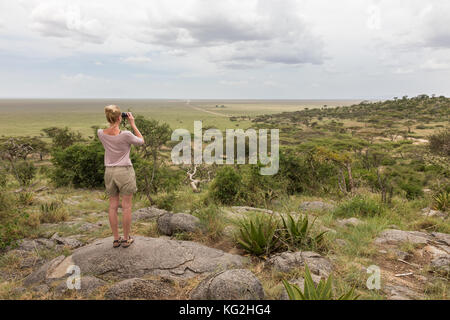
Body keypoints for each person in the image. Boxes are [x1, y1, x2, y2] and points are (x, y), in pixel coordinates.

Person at [97, 105, 144, 248]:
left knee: (112, 206)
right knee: (126, 206)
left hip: (109, 172)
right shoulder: (126, 134)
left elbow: (109, 132)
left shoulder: (100, 133)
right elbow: (141, 141)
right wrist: (133, 124)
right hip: (124, 170)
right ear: (119, 118)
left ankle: (116, 239)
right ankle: (126, 239)